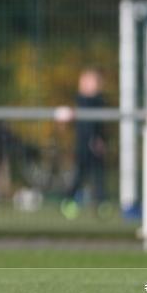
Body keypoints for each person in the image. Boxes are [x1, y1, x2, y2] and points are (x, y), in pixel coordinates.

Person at [62, 67, 107, 217]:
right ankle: (69, 201)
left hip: (95, 145)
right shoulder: (81, 100)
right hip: (83, 146)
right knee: (80, 175)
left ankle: (101, 204)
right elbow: (84, 126)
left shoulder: (99, 101)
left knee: (98, 176)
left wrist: (99, 141)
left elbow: (100, 126)